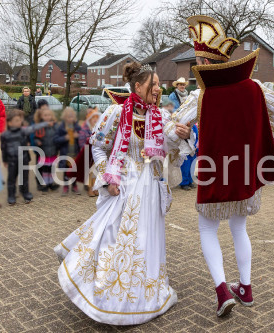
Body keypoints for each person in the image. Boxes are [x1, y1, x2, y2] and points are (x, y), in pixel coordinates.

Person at [167, 15, 274, 317]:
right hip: (246, 172)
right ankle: (245, 288)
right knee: (239, 228)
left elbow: (172, 130)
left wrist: (179, 133)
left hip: (214, 173)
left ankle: (223, 289)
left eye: (197, 62)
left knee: (208, 229)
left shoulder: (200, 95)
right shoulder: (256, 88)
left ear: (204, 63)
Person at [54, 62, 190, 325]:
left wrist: (183, 136)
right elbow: (98, 148)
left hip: (150, 187)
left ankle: (143, 295)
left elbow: (172, 149)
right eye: (154, 85)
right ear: (137, 86)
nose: (158, 89)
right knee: (114, 238)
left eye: (160, 85)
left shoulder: (161, 116)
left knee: (146, 240)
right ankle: (109, 293)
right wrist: (107, 178)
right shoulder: (116, 113)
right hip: (124, 185)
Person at [1, 109, 52, 205]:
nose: (19, 122)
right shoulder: (5, 135)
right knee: (11, 179)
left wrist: (45, 124)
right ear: (9, 122)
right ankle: (11, 195)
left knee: (24, 177)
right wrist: (5, 160)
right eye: (16, 120)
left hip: (23, 159)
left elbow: (34, 128)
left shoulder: (23, 131)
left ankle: (25, 193)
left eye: (20, 120)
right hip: (12, 160)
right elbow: (3, 148)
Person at [54, 107, 82, 196]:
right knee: (66, 170)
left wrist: (78, 136)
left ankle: (74, 185)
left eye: (72, 117)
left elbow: (83, 136)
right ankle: (66, 186)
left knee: (74, 170)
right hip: (65, 152)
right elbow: (56, 140)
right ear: (65, 117)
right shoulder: (61, 127)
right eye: (69, 117)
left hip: (75, 152)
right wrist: (64, 138)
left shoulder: (77, 127)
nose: (70, 119)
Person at [34, 107, 59, 192]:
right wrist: (37, 141)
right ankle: (45, 184)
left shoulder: (55, 126)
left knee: (52, 169)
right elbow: (35, 137)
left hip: (53, 151)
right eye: (45, 115)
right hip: (43, 152)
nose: (47, 117)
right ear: (41, 116)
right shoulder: (40, 127)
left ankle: (51, 183)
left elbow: (58, 136)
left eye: (49, 115)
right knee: (45, 169)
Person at [78, 107, 101, 197]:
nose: (95, 120)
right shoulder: (84, 128)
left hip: (96, 152)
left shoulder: (99, 128)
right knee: (89, 172)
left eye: (96, 118)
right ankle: (90, 188)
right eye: (93, 118)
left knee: (96, 171)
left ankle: (95, 188)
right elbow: (81, 141)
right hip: (88, 151)